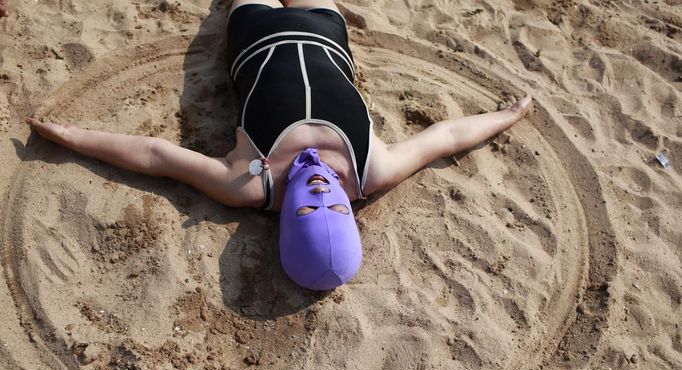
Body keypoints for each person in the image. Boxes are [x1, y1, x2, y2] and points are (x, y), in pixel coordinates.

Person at [27, 0, 532, 290]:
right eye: (335, 206)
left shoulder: (248, 182)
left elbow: (155, 156)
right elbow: (444, 137)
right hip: (327, 31)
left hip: (254, 34)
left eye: (310, 212)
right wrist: (506, 116)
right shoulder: (371, 169)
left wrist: (74, 137)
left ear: (286, 223)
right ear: (350, 211)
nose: (320, 190)